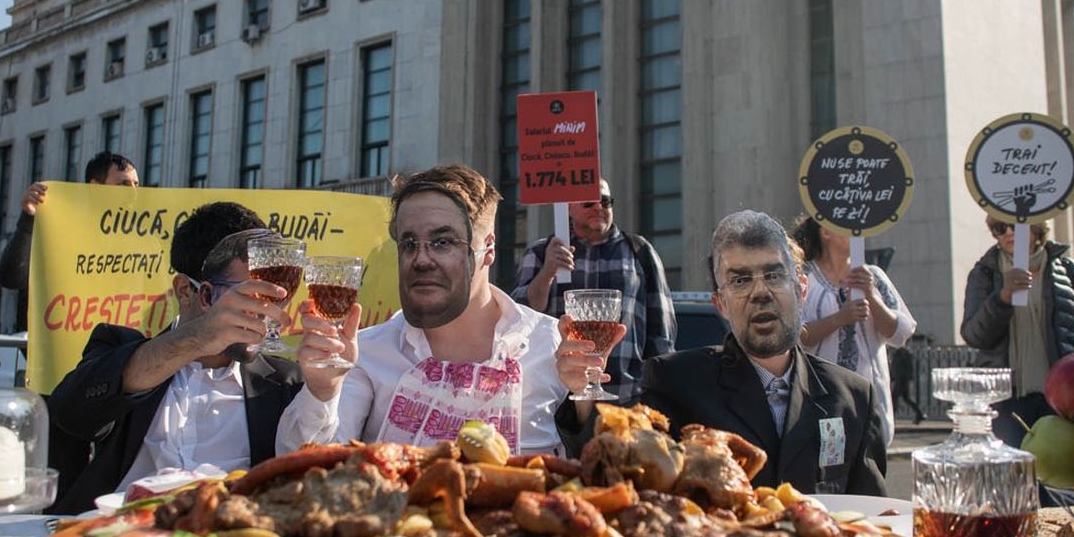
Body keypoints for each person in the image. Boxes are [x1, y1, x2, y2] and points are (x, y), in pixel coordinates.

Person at [277, 164, 620, 456]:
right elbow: (303, 467)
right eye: (409, 243)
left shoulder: (552, 345)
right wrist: (322, 391)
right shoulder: (364, 352)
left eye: (443, 242)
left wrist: (582, 398)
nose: (421, 259)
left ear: (488, 249)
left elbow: (599, 467)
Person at [46, 202, 300, 514]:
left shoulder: (285, 381)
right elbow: (68, 414)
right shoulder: (120, 349)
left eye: (273, 300)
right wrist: (196, 339)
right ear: (187, 290)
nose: (263, 313)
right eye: (247, 297)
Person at [637, 210, 887, 495]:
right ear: (721, 304)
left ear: (801, 289)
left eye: (773, 275)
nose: (760, 292)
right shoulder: (673, 383)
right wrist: (583, 395)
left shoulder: (854, 398)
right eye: (740, 280)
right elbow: (633, 482)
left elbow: (874, 517)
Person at [512, 179, 676, 404]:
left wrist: (659, 392)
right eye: (589, 203)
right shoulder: (543, 251)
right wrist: (548, 270)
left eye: (606, 201)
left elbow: (661, 331)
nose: (599, 207)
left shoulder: (638, 250)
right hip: (558, 397)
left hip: (626, 395)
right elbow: (522, 317)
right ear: (569, 207)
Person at [961, 215, 1074, 447]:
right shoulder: (985, 273)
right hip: (1007, 402)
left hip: (1062, 399)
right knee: (1017, 477)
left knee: (1060, 475)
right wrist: (1002, 299)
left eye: (1017, 225)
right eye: (1001, 228)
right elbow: (974, 335)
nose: (1009, 232)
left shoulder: (1067, 270)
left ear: (1037, 227)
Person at [791, 217, 916, 444]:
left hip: (871, 399)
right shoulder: (804, 278)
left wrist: (871, 295)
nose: (857, 232)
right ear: (825, 232)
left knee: (870, 469)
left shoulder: (874, 276)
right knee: (831, 466)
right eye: (847, 226)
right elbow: (794, 336)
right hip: (824, 400)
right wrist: (840, 318)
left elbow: (900, 334)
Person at [0, 152, 139, 291]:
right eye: (123, 184)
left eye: (136, 185)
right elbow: (11, 278)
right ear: (96, 187)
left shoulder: (145, 241)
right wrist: (28, 219)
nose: (134, 193)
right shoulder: (64, 233)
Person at [888, 334, 928, 425]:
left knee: (895, 398)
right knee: (905, 398)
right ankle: (919, 414)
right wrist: (892, 377)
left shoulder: (904, 353)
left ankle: (892, 419)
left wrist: (907, 379)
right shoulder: (898, 353)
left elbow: (908, 368)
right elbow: (894, 367)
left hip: (902, 379)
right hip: (900, 378)